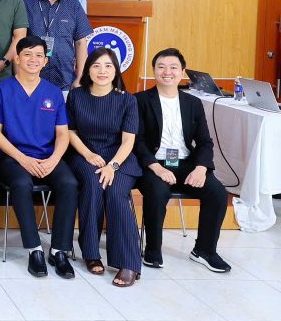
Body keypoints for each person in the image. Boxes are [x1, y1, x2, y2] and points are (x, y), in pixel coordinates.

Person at [134, 48, 231, 273]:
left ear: (182, 72)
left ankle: (204, 251)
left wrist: (201, 168)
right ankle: (153, 250)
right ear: (154, 70)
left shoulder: (193, 103)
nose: (167, 72)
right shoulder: (139, 100)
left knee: (217, 192)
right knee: (157, 191)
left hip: (186, 163)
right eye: (161, 67)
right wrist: (157, 168)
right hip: (153, 164)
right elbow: (137, 141)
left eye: (173, 67)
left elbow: (205, 142)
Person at [0, 36, 77, 278]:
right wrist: (23, 159)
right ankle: (34, 249)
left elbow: (63, 134)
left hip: (47, 156)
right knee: (21, 183)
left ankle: (59, 250)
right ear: (17, 58)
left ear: (45, 61)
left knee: (69, 183)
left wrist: (54, 160)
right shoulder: (1, 90)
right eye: (27, 54)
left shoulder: (54, 92)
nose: (33, 59)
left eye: (39, 55)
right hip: (12, 157)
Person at [65, 48, 142, 287]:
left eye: (108, 66)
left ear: (116, 70)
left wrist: (113, 166)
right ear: (87, 69)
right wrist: (88, 154)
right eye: (96, 65)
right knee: (92, 184)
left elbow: (128, 141)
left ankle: (128, 263)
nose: (102, 71)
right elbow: (70, 132)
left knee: (117, 193)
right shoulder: (76, 96)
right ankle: (91, 253)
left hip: (120, 158)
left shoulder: (127, 100)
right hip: (85, 154)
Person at [22, 0, 93, 94]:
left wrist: (80, 77)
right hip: (30, 82)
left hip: (65, 81)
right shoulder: (23, 3)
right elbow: (17, 40)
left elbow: (81, 42)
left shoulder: (73, 5)